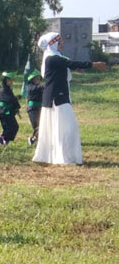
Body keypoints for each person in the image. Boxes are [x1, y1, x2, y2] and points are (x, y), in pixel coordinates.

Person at [33, 32, 108, 165]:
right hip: (56, 97)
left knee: (62, 127)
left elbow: (67, 65)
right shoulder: (52, 58)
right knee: (68, 127)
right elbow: (71, 63)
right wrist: (93, 64)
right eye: (59, 42)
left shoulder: (55, 57)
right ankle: (64, 157)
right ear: (53, 44)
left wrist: (74, 68)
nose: (62, 44)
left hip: (55, 96)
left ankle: (60, 156)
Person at [0, 72, 20, 146]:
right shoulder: (2, 90)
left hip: (8, 111)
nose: (11, 82)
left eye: (11, 80)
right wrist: (15, 99)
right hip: (4, 111)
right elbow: (8, 100)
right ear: (5, 81)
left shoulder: (8, 90)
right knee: (10, 127)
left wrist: (16, 108)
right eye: (9, 80)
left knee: (14, 127)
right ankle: (0, 139)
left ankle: (4, 140)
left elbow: (12, 100)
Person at [25, 70, 43, 146]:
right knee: (37, 126)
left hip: (40, 108)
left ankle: (36, 139)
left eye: (39, 79)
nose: (38, 80)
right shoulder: (30, 87)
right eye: (36, 79)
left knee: (41, 125)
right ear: (32, 80)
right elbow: (36, 89)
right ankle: (33, 139)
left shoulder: (40, 88)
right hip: (32, 109)